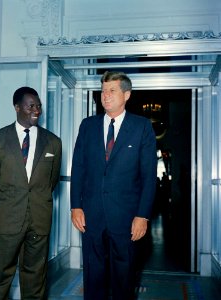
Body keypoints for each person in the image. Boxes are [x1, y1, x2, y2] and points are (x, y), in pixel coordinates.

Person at [70, 71, 157, 300]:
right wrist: (75, 206)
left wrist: (143, 215)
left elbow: (149, 176)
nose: (105, 96)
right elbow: (78, 167)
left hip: (126, 217)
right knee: (93, 276)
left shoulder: (141, 127)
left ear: (126, 94)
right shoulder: (87, 126)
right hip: (91, 215)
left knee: (124, 277)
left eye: (112, 90)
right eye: (103, 91)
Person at [0, 86, 62, 300]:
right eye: (31, 106)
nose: (37, 110)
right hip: (6, 219)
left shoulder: (53, 142)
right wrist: (7, 202)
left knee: (36, 277)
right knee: (0, 275)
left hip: (39, 219)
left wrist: (33, 200)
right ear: (17, 107)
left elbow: (50, 182)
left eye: (39, 106)